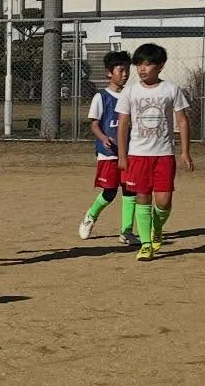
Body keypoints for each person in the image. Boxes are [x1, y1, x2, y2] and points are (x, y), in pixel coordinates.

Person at [115, 43, 193, 262]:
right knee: (142, 198)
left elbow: (182, 121)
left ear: (160, 66)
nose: (142, 68)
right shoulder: (130, 91)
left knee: (164, 201)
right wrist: (123, 155)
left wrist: (185, 152)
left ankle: (157, 227)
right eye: (139, 64)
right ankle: (146, 244)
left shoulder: (171, 90)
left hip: (164, 155)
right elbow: (122, 124)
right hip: (138, 155)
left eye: (148, 64)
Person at [78, 50, 141, 245]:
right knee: (110, 192)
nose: (125, 74)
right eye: (121, 70)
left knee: (131, 190)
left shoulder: (131, 95)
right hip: (108, 154)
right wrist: (103, 137)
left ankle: (126, 232)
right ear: (109, 73)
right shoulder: (101, 97)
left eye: (127, 70)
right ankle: (90, 215)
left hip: (130, 152)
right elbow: (94, 124)